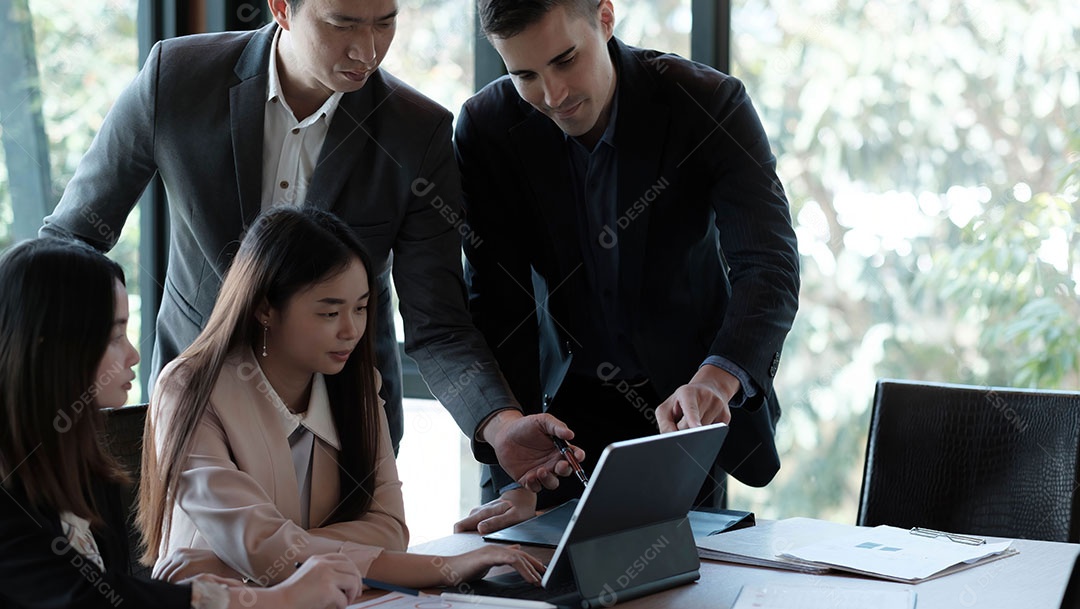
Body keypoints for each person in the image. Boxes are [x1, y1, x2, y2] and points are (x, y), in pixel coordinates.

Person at [38, 0, 577, 489]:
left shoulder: (419, 133)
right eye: (343, 23)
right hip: (194, 417)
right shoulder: (176, 78)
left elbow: (437, 322)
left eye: (385, 22)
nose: (366, 50)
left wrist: (500, 423)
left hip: (345, 432)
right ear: (282, 8)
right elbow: (72, 241)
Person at [453, 0, 801, 532]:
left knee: (681, 583)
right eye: (524, 74)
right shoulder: (488, 126)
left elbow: (768, 265)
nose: (553, 96)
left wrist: (717, 379)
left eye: (566, 60)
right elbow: (498, 306)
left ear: (605, 18)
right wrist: (513, 457)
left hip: (681, 409)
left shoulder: (705, 102)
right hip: (555, 421)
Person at [140, 207, 545, 588]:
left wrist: (237, 559)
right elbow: (263, 547)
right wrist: (444, 567)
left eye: (361, 308)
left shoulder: (358, 383)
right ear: (265, 308)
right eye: (330, 313)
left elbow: (389, 529)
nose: (351, 330)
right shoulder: (189, 390)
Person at [0, 237, 364, 609]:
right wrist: (269, 598)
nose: (134, 355)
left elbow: (108, 588)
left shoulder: (85, 468)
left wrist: (221, 587)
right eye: (114, 336)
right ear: (49, 346)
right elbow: (84, 599)